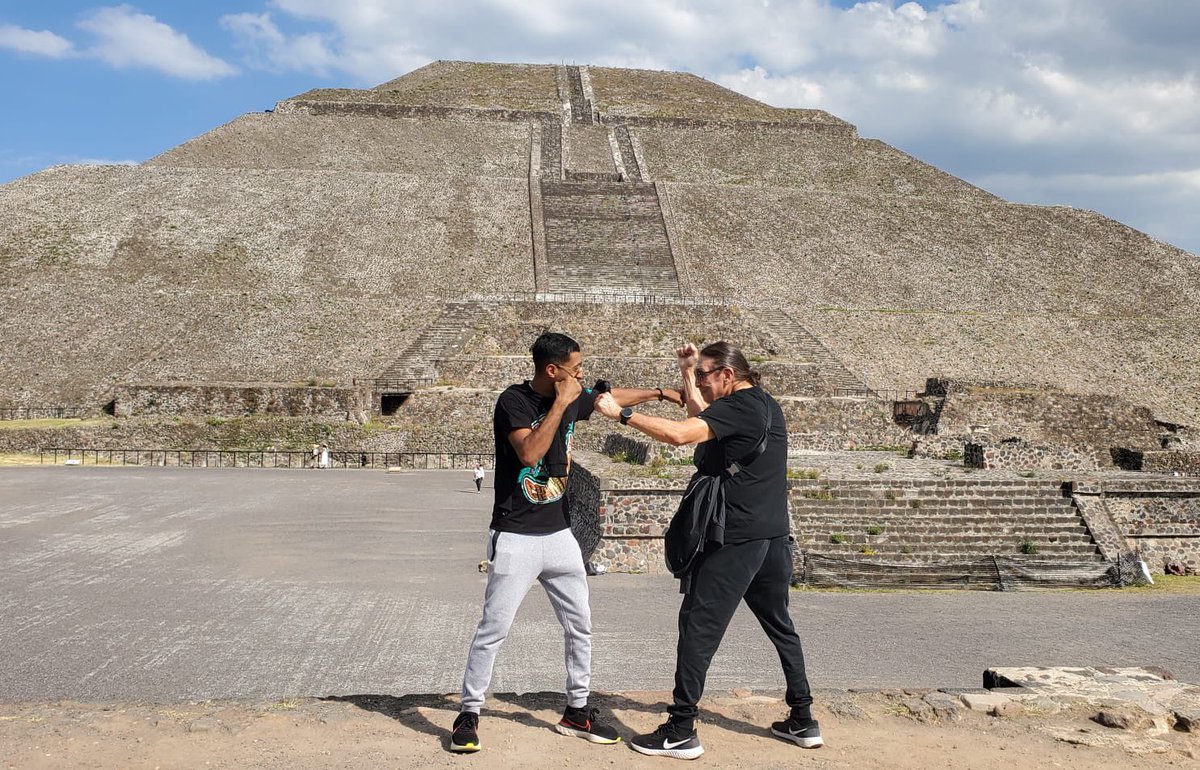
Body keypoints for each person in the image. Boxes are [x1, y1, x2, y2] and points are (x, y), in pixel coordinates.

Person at [452, 331, 684, 754]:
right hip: (516, 535)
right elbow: (529, 454)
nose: (582, 374)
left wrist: (661, 394)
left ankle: (577, 708)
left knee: (580, 626)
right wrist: (561, 404)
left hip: (560, 535)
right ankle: (469, 711)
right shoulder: (513, 402)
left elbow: (608, 397)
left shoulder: (575, 394)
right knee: (494, 629)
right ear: (552, 370)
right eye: (575, 368)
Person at [595, 341, 821, 759]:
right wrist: (685, 372)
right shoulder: (765, 405)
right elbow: (704, 421)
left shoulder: (739, 406)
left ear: (728, 375)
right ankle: (803, 719)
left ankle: (681, 729)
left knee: (698, 627)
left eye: (704, 375)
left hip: (734, 536)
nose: (698, 383)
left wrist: (622, 414)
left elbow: (682, 435)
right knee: (780, 625)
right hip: (772, 535)